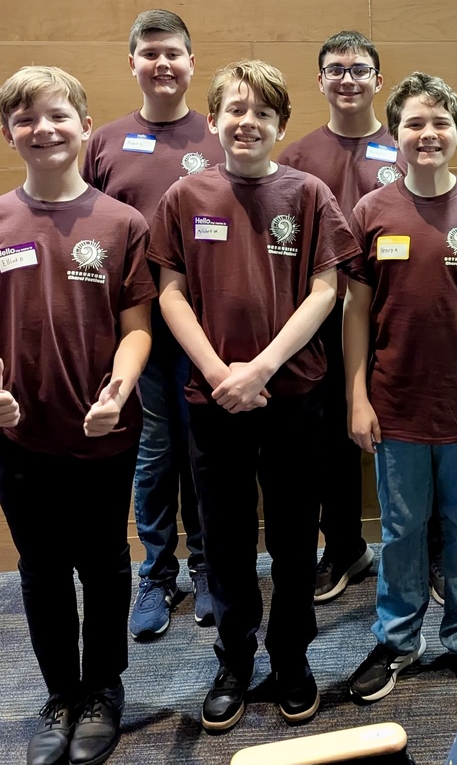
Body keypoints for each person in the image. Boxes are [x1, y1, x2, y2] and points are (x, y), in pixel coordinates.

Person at [0, 67, 156, 765]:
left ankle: (102, 688)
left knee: (102, 563)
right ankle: (60, 693)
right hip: (19, 436)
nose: (44, 129)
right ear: (9, 133)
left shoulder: (122, 223)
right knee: (39, 568)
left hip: (104, 431)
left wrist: (120, 390)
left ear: (85, 123)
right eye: (27, 118)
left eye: (58, 115)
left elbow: (137, 327)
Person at [149, 59, 359, 732]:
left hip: (293, 395)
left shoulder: (308, 194)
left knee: (297, 538)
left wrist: (261, 368)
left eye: (263, 112)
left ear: (280, 125)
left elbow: (327, 290)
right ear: (212, 120)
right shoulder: (185, 198)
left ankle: (291, 659)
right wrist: (219, 373)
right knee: (226, 538)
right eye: (235, 110)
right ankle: (234, 661)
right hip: (212, 401)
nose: (248, 122)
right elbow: (171, 291)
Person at [344, 73, 457, 701]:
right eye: (414, 124)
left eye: (439, 122)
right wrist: (358, 397)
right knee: (401, 529)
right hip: (395, 404)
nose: (428, 134)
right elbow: (357, 313)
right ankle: (397, 640)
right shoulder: (371, 212)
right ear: (394, 135)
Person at [84, 9, 223, 640]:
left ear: (193, 62)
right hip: (137, 328)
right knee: (155, 452)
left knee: (208, 451)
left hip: (210, 327)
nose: (162, 63)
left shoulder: (220, 136)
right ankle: (159, 574)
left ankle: (212, 570)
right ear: (132, 63)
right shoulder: (106, 143)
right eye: (149, 53)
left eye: (173, 53)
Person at [278, 30, 410, 603]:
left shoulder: (407, 145)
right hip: (325, 319)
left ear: (378, 81)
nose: (348, 79)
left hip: (399, 314)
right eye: (336, 69)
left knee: (408, 431)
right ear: (321, 81)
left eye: (360, 69)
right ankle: (345, 546)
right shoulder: (298, 156)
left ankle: (419, 549)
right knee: (330, 438)